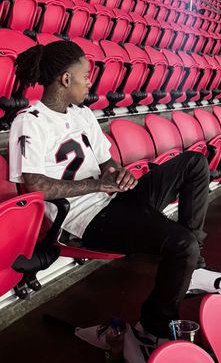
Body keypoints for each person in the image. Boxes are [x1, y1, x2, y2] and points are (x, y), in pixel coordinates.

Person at [9, 40, 210, 339]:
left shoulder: (82, 114)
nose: (90, 81)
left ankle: (192, 267)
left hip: (116, 199)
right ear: (66, 79)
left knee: (194, 163)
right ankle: (154, 327)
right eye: (86, 74)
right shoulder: (29, 122)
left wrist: (119, 173)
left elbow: (107, 162)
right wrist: (97, 184)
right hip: (85, 220)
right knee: (182, 245)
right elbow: (34, 185)